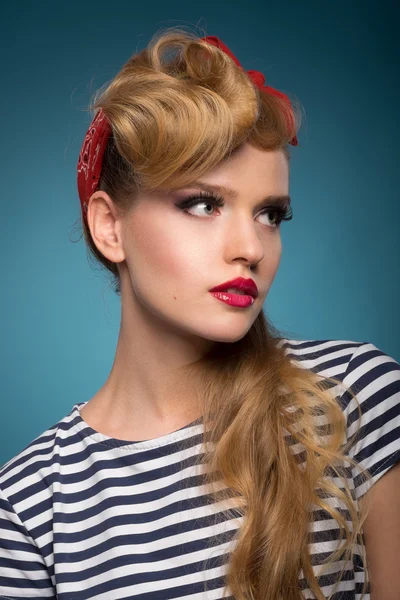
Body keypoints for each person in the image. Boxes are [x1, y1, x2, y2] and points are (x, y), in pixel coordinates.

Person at [0, 26, 399, 600]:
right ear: (110, 227)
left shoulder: (356, 400)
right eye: (204, 204)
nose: (251, 247)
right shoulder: (31, 508)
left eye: (270, 214)